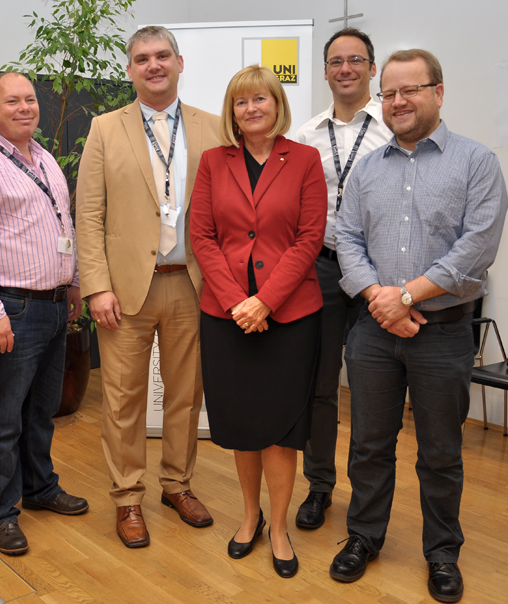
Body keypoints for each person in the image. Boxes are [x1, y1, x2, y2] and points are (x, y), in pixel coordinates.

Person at [333, 49, 508, 603]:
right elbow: (347, 239)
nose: (398, 101)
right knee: (368, 445)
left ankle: (442, 552)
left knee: (439, 452)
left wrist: (405, 296)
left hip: (445, 334)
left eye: (410, 90)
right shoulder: (368, 169)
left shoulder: (476, 162)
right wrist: (377, 300)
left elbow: (476, 248)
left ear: (438, 91)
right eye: (389, 93)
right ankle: (364, 536)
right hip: (372, 334)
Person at [76, 25, 220, 549]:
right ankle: (128, 497)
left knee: (185, 397)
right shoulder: (103, 129)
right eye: (142, 58)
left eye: (162, 56)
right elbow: (88, 215)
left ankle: (177, 485)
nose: (153, 65)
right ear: (130, 68)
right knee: (122, 400)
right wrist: (95, 287)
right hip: (125, 290)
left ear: (180, 63)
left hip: (192, 285)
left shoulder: (213, 127)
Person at [190, 65, 326, 578]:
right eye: (242, 101)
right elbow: (202, 237)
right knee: (244, 423)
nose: (252, 109)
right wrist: (235, 302)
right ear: (232, 110)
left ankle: (280, 528)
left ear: (277, 104)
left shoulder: (305, 159)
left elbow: (309, 238)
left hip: (289, 315)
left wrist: (264, 301)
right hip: (227, 317)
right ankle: (250, 517)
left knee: (281, 429)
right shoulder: (212, 162)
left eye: (261, 99)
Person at [0, 72, 88, 556]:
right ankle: (0, 511)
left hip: (53, 305)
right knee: (4, 416)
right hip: (13, 307)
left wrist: (72, 282)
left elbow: (62, 224)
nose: (25, 107)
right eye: (12, 101)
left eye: (30, 99)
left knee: (40, 411)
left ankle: (40, 488)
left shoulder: (46, 158)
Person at [293, 28, 393, 530]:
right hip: (324, 269)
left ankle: (367, 501)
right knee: (320, 386)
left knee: (373, 391)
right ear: (326, 71)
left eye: (356, 60)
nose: (346, 68)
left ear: (372, 69)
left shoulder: (396, 130)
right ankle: (319, 487)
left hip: (383, 276)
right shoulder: (307, 134)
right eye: (336, 61)